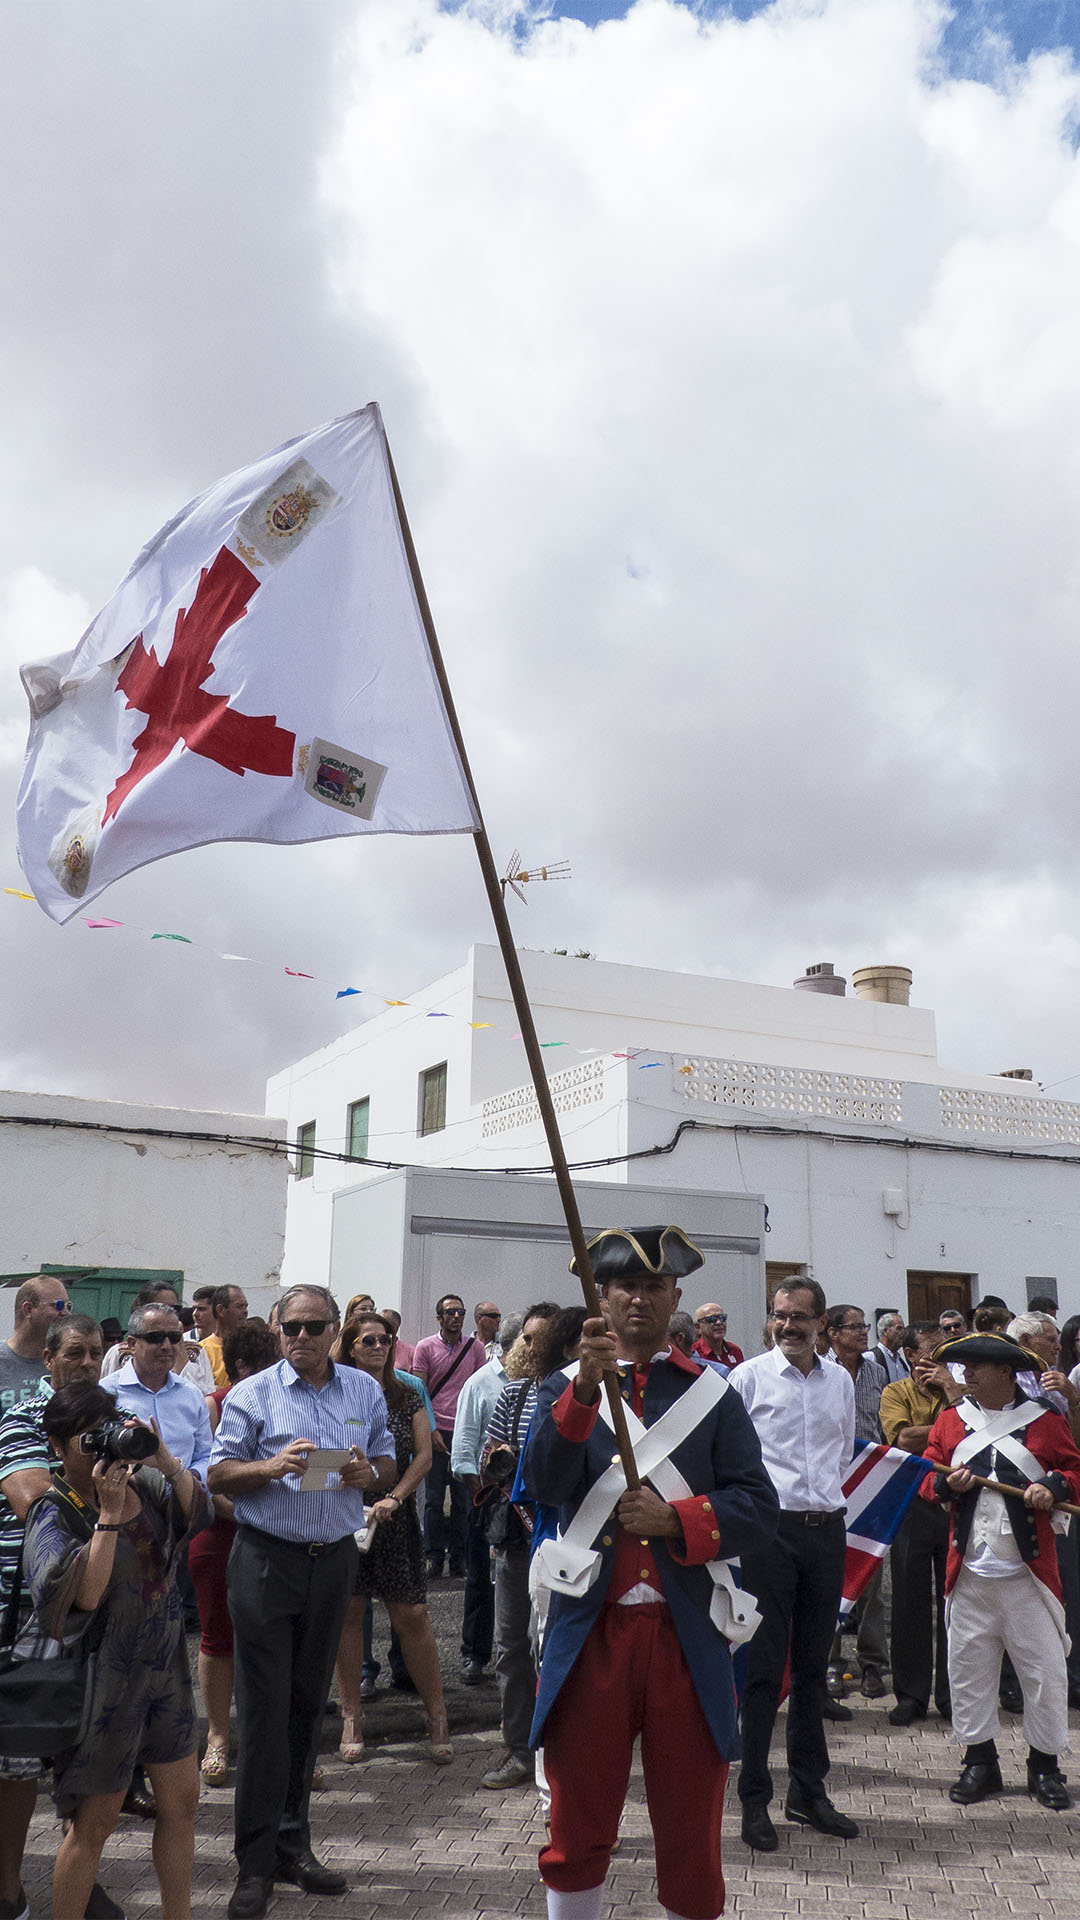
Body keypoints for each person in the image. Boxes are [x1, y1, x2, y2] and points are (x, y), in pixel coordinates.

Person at [525, 1226, 779, 1920]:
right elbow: (544, 1483)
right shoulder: (563, 1388)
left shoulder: (713, 1396)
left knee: (691, 1827)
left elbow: (758, 1506)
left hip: (687, 1634)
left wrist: (676, 1521)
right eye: (625, 1286)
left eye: (654, 1286)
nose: (639, 1298)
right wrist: (581, 1388)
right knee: (576, 1819)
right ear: (599, 1298)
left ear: (675, 1298)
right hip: (591, 1632)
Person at [207, 1284, 395, 1919]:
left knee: (307, 1706)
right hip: (266, 1559)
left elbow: (389, 1461)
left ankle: (294, 1844)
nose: (303, 1338)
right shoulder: (251, 1394)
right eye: (292, 1327)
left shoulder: (364, 1390)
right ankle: (254, 1864)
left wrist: (374, 1475)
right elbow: (217, 1474)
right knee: (261, 1716)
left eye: (315, 1327)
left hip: (333, 1559)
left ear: (335, 1329)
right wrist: (271, 1466)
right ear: (278, 1328)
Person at [23, 1380, 211, 1920]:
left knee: (181, 1806)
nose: (103, 1451)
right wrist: (106, 1516)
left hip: (164, 1673)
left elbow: (200, 1515)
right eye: (88, 1441)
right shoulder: (53, 1510)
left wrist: (164, 1456)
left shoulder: (148, 1484)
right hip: (101, 1688)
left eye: (105, 1434)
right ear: (57, 1447)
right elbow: (79, 1595)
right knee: (94, 1825)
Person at [0, 1314, 126, 1920]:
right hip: (30, 1609)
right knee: (20, 1756)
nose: (86, 1362)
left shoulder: (112, 1420)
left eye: (96, 1352)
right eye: (74, 1352)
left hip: (106, 1603)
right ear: (47, 1359)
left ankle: (79, 1877)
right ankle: (9, 1890)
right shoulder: (22, 1419)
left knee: (86, 1748)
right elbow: (33, 1501)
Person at [921, 1328, 1080, 1809]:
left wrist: (1053, 1485)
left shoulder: (1046, 1422)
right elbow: (928, 1476)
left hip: (1027, 1575)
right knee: (968, 1669)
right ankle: (979, 1761)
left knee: (1044, 1673)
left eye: (975, 1366)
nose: (964, 1374)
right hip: (969, 1570)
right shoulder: (950, 1421)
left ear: (1006, 1374)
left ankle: (1045, 1766)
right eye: (962, 1365)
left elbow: (1075, 1471)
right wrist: (948, 1487)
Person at [728, 1279, 859, 1851]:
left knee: (811, 1669)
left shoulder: (843, 1381)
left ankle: (808, 1792)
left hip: (826, 1532)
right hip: (769, 1536)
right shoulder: (747, 1378)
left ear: (821, 1323)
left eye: (799, 1317)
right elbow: (731, 1461)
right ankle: (753, 1799)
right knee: (762, 1673)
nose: (788, 1326)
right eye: (780, 1316)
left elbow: (845, 1451)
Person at [331, 1312, 451, 1764]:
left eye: (385, 1339)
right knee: (349, 1613)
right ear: (351, 1346)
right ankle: (351, 1716)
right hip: (347, 1514)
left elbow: (422, 1457)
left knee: (413, 1614)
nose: (379, 1347)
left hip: (395, 1516)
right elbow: (326, 1451)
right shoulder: (336, 1392)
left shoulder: (407, 1391)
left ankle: (436, 1714)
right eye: (369, 1340)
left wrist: (395, 1498)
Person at [188, 1320, 282, 1787]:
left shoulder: (289, 1401)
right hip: (222, 1533)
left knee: (271, 1641)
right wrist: (253, 1515)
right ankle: (218, 1737)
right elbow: (207, 1477)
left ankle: (274, 1741)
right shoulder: (215, 1404)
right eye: (264, 1366)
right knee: (217, 1638)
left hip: (271, 1534)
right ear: (241, 1366)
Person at [476, 1302, 561, 1790]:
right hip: (513, 1537)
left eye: (539, 1338)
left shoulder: (577, 1391)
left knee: (546, 1645)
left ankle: (558, 1750)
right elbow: (489, 1456)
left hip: (562, 1540)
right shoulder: (513, 1393)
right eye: (525, 1338)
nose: (529, 1347)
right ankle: (518, 1751)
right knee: (510, 1647)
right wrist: (506, 1460)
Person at [879, 1322, 957, 1725]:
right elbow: (904, 1440)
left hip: (951, 1502)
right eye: (933, 1350)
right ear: (911, 1355)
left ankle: (951, 1693)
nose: (941, 1358)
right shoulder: (896, 1392)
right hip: (911, 1502)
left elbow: (972, 1431)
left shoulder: (957, 1392)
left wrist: (952, 1394)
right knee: (909, 1601)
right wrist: (947, 1428)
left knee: (953, 1601)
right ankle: (911, 1694)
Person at [451, 1313, 527, 1685]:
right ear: (512, 1346)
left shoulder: (537, 1383)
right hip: (487, 1498)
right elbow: (464, 1449)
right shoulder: (481, 1384)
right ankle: (473, 1655)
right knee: (481, 1579)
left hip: (526, 1503)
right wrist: (480, 1498)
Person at [824, 1305, 887, 1702]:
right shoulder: (821, 1373)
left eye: (865, 1325)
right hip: (830, 1485)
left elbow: (881, 1427)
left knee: (871, 1580)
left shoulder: (877, 1372)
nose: (863, 1332)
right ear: (832, 1333)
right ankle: (830, 1664)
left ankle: (872, 1664)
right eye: (854, 1326)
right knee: (830, 1577)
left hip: (871, 1485)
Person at [411, 1294, 487, 1579]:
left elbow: (479, 1387)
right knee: (432, 1499)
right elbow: (418, 1391)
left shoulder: (475, 1348)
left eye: (460, 1312)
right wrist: (430, 1430)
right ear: (439, 1318)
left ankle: (458, 1558)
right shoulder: (426, 1347)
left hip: (464, 1429)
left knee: (462, 1498)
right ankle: (433, 1556)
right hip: (435, 1428)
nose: (456, 1317)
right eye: (450, 1312)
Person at [101, 1304, 213, 1482]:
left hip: (184, 1500)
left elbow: (206, 1456)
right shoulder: (106, 1393)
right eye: (156, 1337)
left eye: (174, 1338)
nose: (167, 1346)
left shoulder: (192, 1395)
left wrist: (185, 1479)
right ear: (132, 1344)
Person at [101, 1283, 215, 1394]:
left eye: (174, 1309)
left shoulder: (195, 1351)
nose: (167, 1314)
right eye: (159, 1308)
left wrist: (179, 1348)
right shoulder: (119, 1352)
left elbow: (204, 1396)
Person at [1, 1276, 70, 1414]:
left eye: (68, 1306)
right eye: (58, 1305)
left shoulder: (64, 1362)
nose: (66, 1313)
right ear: (28, 1309)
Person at [200, 1286, 249, 1390]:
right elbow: (200, 1389)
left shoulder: (252, 1345)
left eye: (246, 1306)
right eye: (239, 1306)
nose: (245, 1311)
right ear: (221, 1310)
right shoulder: (201, 1350)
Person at [692, 1304, 744, 1370]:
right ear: (698, 1327)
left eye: (722, 1318)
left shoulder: (735, 1350)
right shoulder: (694, 1353)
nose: (718, 1322)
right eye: (711, 1319)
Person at [870, 1311, 909, 1382]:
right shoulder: (871, 1357)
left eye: (904, 1329)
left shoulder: (902, 1363)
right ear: (885, 1331)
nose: (903, 1333)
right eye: (899, 1328)